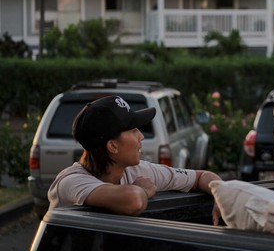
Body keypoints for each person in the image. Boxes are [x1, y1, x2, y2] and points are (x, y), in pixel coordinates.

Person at [48, 95, 222, 224]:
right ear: (113, 146)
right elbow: (134, 201)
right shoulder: (70, 183)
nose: (141, 136)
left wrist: (222, 195)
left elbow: (201, 177)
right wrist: (144, 190)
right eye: (133, 130)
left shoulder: (136, 171)